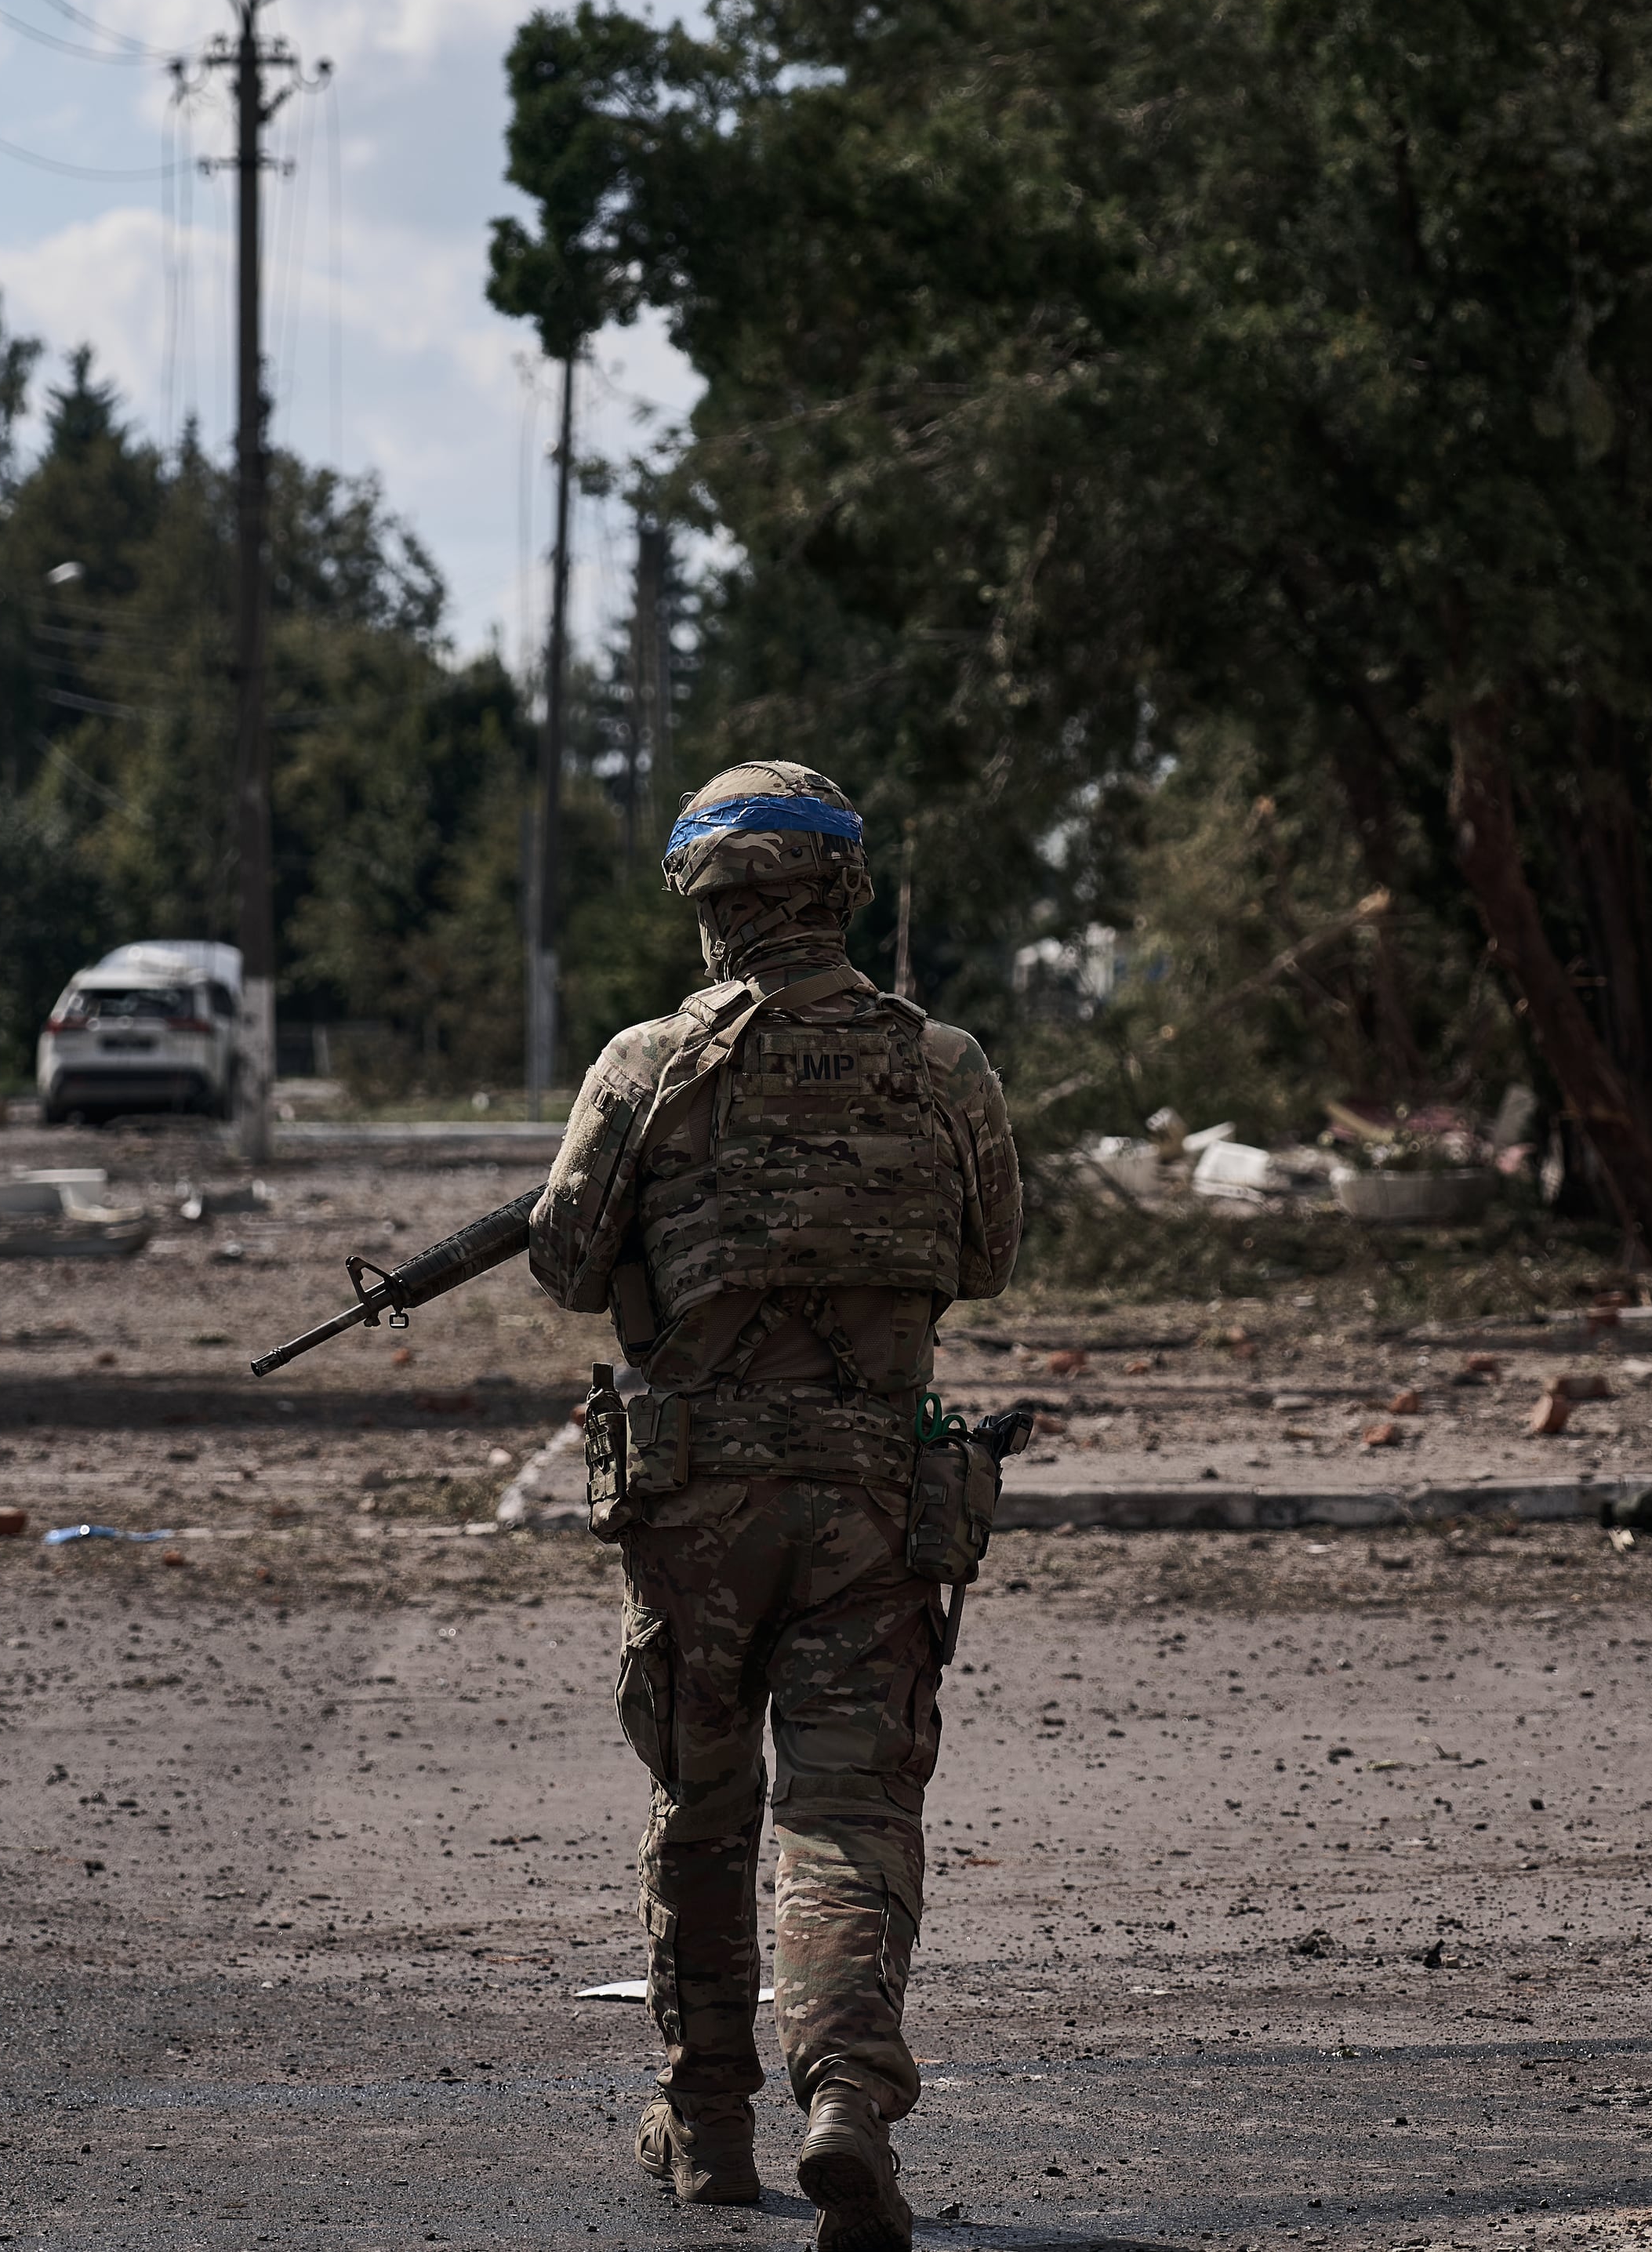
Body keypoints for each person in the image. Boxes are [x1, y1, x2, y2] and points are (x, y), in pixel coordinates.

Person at [528, 761, 1021, 2249]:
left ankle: (708, 2127)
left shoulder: (645, 1067)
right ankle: (850, 2100)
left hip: (695, 1508)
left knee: (703, 1805)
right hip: (873, 1499)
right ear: (842, 894)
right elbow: (988, 1254)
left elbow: (563, 1261)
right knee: (850, 1811)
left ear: (708, 906)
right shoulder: (944, 1067)